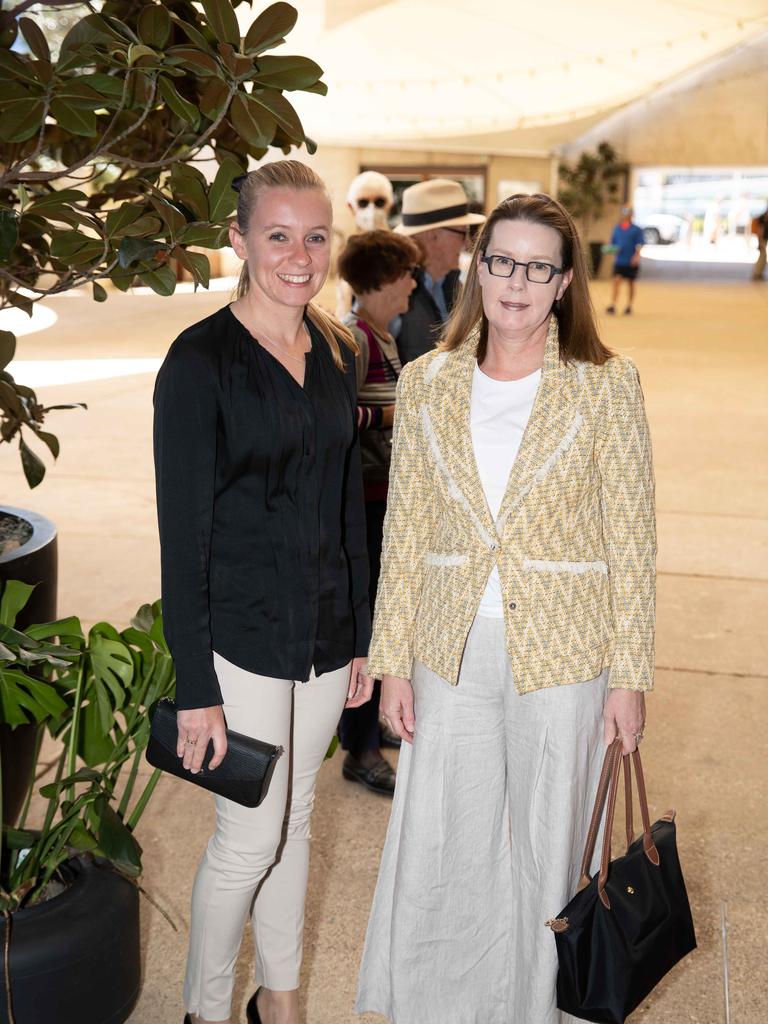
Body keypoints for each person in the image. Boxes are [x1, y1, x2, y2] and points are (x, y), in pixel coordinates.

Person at [356, 193, 656, 1024]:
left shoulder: (605, 384)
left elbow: (632, 539)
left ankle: (538, 1006)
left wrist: (630, 679)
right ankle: (442, 1003)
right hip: (448, 649)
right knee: (449, 838)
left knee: (548, 844)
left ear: (564, 283)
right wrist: (392, 664)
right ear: (477, 267)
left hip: (565, 651)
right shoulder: (428, 381)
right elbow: (407, 530)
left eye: (537, 266)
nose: (516, 281)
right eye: (502, 260)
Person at [153, 160, 373, 1024]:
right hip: (236, 639)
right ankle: (206, 1012)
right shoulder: (198, 363)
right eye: (277, 234)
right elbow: (183, 542)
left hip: (321, 635)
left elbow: (344, 504)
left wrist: (358, 636)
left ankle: (278, 1005)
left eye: (315, 236)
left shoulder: (338, 349)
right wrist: (195, 688)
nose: (299, 254)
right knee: (248, 838)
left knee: (300, 820)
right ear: (239, 240)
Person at [335, 229, 422, 796]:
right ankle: (360, 750)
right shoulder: (355, 338)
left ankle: (368, 732)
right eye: (406, 273)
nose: (414, 283)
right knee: (369, 630)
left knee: (383, 624)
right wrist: (392, 419)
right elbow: (336, 419)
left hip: (384, 500)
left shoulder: (381, 336)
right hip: (365, 505)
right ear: (383, 280)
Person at [393, 178, 485, 364]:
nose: (467, 243)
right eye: (462, 233)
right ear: (432, 235)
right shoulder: (392, 291)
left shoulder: (459, 286)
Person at [335, 171, 396, 318]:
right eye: (363, 203)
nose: (371, 210)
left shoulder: (401, 252)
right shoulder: (345, 253)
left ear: (390, 205)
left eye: (379, 202)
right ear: (351, 207)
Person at [605, 205, 644, 315]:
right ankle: (613, 304)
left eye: (629, 212)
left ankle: (629, 305)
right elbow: (613, 244)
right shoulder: (617, 229)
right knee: (616, 281)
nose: (627, 214)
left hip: (631, 261)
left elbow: (640, 244)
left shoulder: (636, 230)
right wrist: (612, 250)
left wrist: (636, 256)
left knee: (631, 283)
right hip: (620, 261)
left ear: (632, 214)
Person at [751, 202, 768, 281]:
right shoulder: (764, 218)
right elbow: (760, 230)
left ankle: (758, 273)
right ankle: (757, 273)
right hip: (762, 239)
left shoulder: (764, 217)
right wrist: (760, 241)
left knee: (763, 257)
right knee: (762, 256)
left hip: (763, 239)